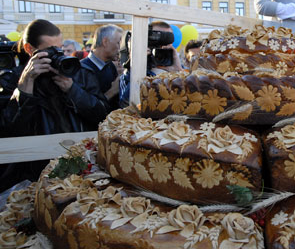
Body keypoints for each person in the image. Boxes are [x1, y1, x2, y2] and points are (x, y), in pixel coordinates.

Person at [1, 19, 108, 189]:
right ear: (30, 49)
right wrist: (25, 87)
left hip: (80, 170)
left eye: (59, 49)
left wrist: (73, 90)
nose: (56, 55)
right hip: (32, 175)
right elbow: (8, 130)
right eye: (49, 51)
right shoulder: (12, 80)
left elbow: (103, 116)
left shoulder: (79, 74)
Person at [119, 21, 183, 107]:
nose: (162, 48)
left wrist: (178, 72)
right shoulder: (131, 73)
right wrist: (140, 65)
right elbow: (126, 105)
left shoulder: (178, 69)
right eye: (157, 44)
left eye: (166, 42)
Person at [80, 25, 123, 110]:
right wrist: (112, 91)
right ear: (105, 42)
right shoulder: (81, 69)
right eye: (118, 43)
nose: (120, 48)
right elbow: (86, 107)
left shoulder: (110, 66)